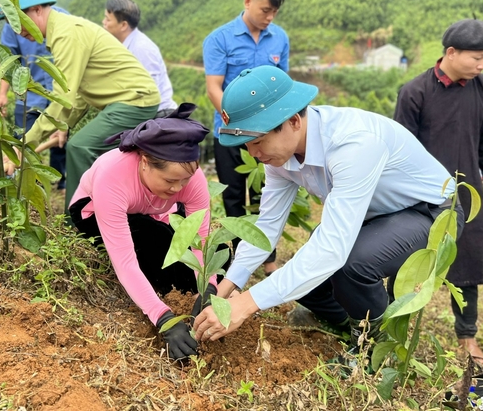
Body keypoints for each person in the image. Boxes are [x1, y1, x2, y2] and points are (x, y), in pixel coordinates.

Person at [193, 66, 463, 352]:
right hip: (374, 214)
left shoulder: (352, 144)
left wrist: (245, 304)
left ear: (294, 120)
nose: (255, 155)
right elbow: (267, 226)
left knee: (349, 265)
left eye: (258, 142)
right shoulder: (280, 156)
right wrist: (227, 287)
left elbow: (333, 249)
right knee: (309, 283)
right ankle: (351, 323)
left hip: (430, 212)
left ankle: (375, 349)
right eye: (247, 146)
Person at [394, 19, 483, 366]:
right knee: (406, 264)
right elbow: (400, 150)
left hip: (467, 194)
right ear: (451, 53)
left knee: (468, 264)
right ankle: (393, 328)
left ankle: (467, 336)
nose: (482, 65)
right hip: (421, 196)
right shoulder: (415, 92)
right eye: (477, 58)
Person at [68, 103, 214, 360]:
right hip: (92, 211)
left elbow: (199, 239)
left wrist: (209, 288)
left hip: (153, 211)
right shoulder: (112, 175)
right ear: (145, 162)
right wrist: (164, 319)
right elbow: (124, 261)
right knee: (154, 244)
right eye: (170, 181)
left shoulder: (191, 177)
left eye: (185, 181)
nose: (179, 188)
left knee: (216, 254)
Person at [0, 0, 161, 211]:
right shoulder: (61, 31)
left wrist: (26, 142)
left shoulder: (66, 34)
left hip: (134, 101)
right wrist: (64, 125)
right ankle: (107, 211)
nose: (17, 30)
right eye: (11, 24)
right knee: (95, 154)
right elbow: (77, 95)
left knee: (80, 148)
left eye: (18, 20)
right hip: (126, 101)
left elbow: (62, 99)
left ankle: (79, 221)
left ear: (36, 10)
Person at [203, 0, 289, 275]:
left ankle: (268, 260)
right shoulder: (219, 39)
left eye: (275, 12)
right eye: (266, 10)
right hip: (230, 133)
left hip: (269, 136)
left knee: (268, 196)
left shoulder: (279, 38)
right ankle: (240, 263)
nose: (270, 17)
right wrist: (236, 121)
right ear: (248, 1)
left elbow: (283, 85)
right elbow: (214, 86)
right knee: (234, 198)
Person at [0, 0, 68, 190]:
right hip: (29, 91)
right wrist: (2, 93)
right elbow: (9, 60)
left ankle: (60, 179)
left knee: (61, 136)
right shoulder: (13, 25)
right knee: (25, 135)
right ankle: (28, 179)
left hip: (59, 90)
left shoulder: (62, 18)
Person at [101, 0, 177, 117]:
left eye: (108, 19)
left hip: (158, 116)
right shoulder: (123, 45)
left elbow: (150, 93)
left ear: (123, 25)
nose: (103, 22)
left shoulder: (142, 48)